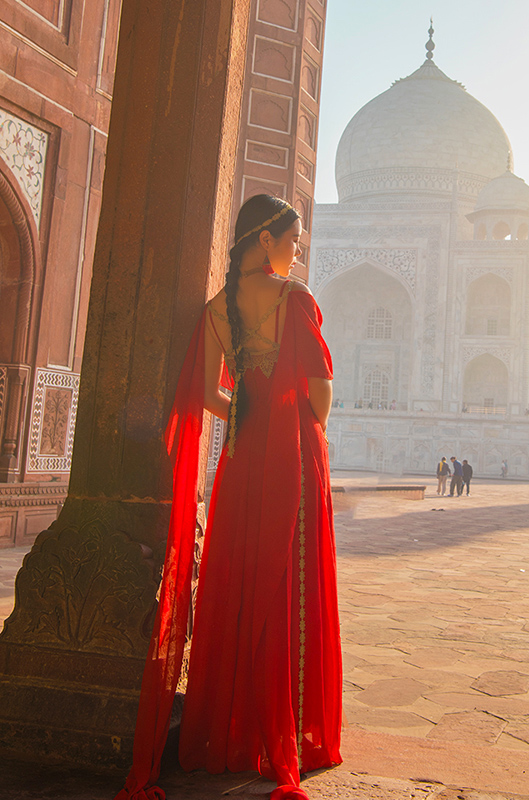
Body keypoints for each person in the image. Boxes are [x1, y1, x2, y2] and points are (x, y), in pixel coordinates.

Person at [116, 195, 341, 800]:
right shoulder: (294, 301)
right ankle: (290, 733)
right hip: (291, 459)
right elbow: (319, 399)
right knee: (288, 583)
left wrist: (246, 407)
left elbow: (206, 394)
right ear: (265, 240)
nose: (297, 253)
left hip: (239, 462)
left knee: (239, 580)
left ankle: (228, 729)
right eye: (292, 241)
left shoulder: (216, 308)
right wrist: (288, 418)